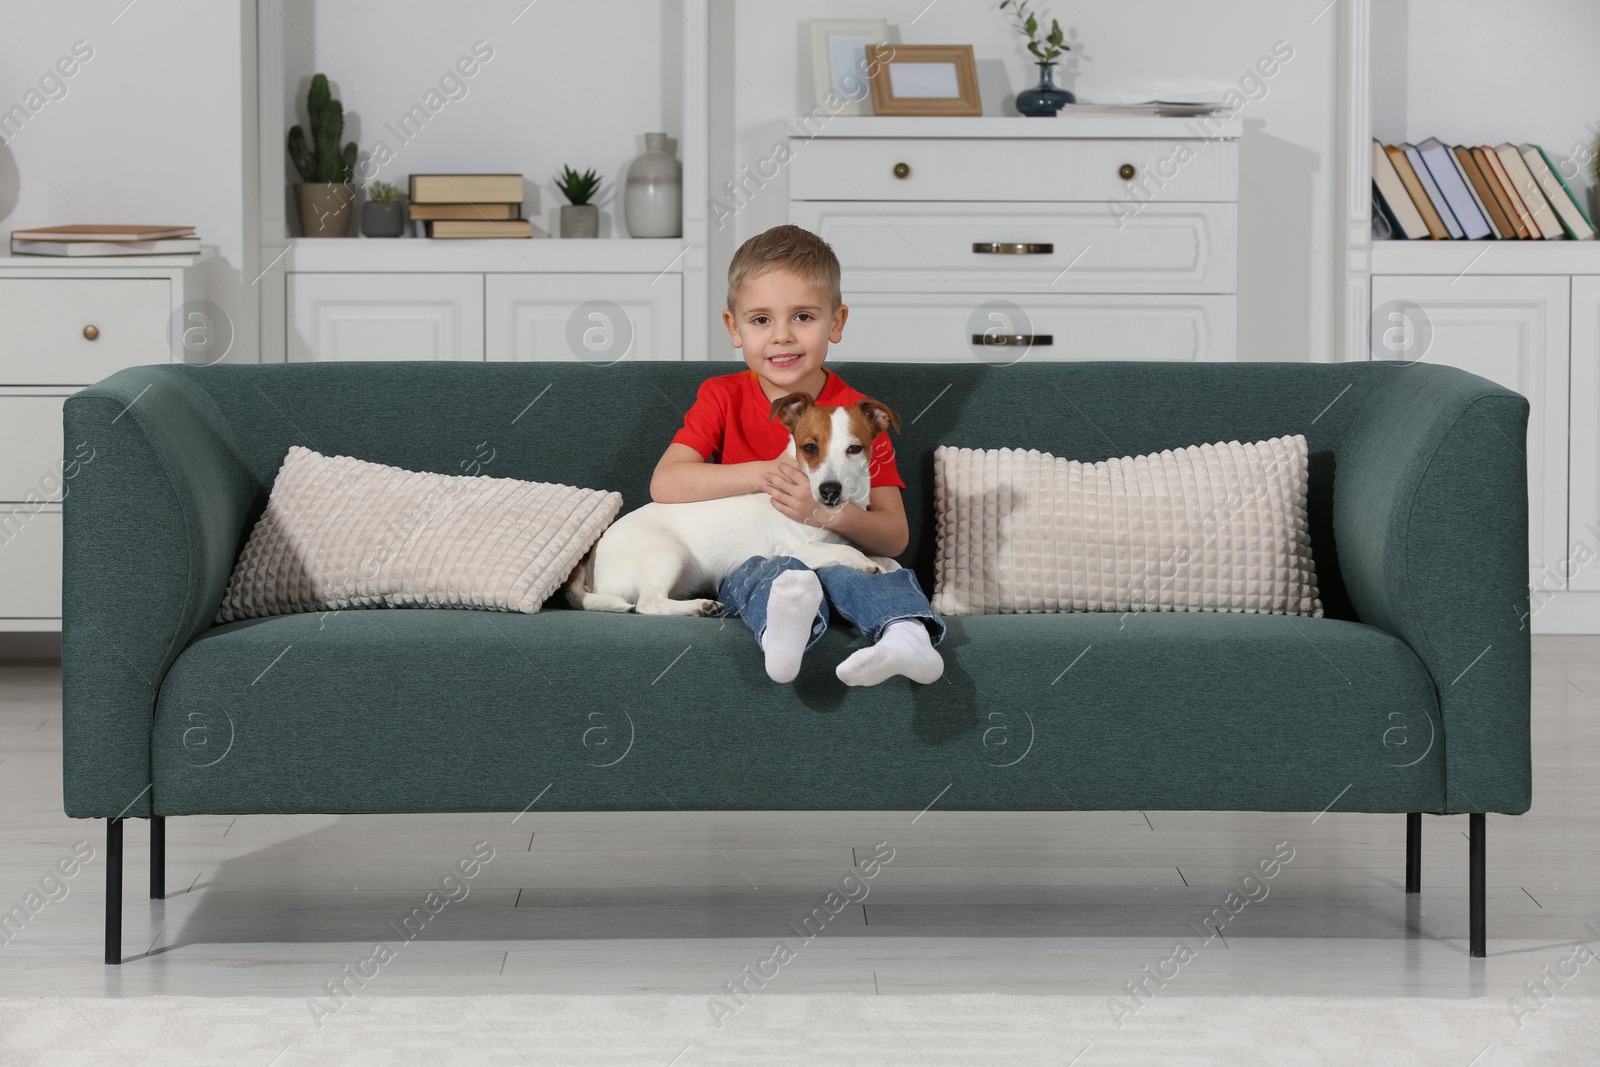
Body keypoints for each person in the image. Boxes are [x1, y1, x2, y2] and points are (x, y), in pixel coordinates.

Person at [649, 224, 946, 686]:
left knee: (873, 568)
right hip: (748, 560)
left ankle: (906, 636)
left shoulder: (861, 421)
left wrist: (824, 514)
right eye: (761, 319)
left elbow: (892, 537)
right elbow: (665, 484)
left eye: (803, 317)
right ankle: (781, 634)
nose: (782, 336)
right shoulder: (721, 396)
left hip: (833, 552)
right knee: (779, 574)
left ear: (837, 322)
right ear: (734, 327)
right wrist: (766, 473)